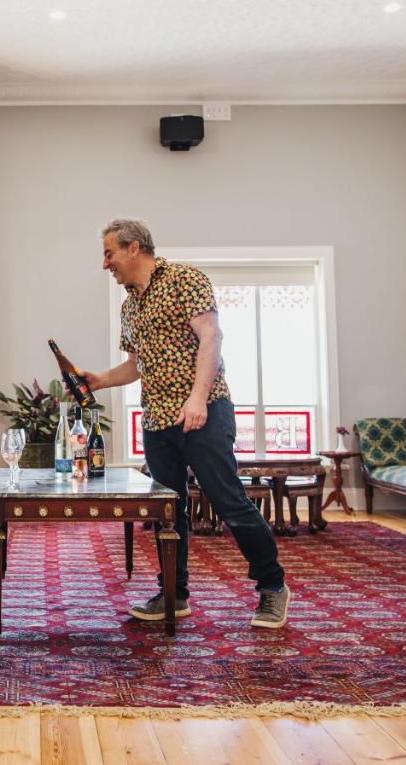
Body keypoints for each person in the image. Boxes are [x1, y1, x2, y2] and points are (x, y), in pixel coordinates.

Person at [86, 218, 290, 629]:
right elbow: (136, 365)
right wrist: (100, 380)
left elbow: (211, 337)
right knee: (169, 510)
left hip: (205, 411)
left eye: (109, 253)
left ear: (133, 248)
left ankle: (272, 586)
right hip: (157, 420)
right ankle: (173, 594)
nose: (105, 264)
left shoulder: (184, 279)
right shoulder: (129, 305)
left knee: (229, 501)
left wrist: (197, 399)